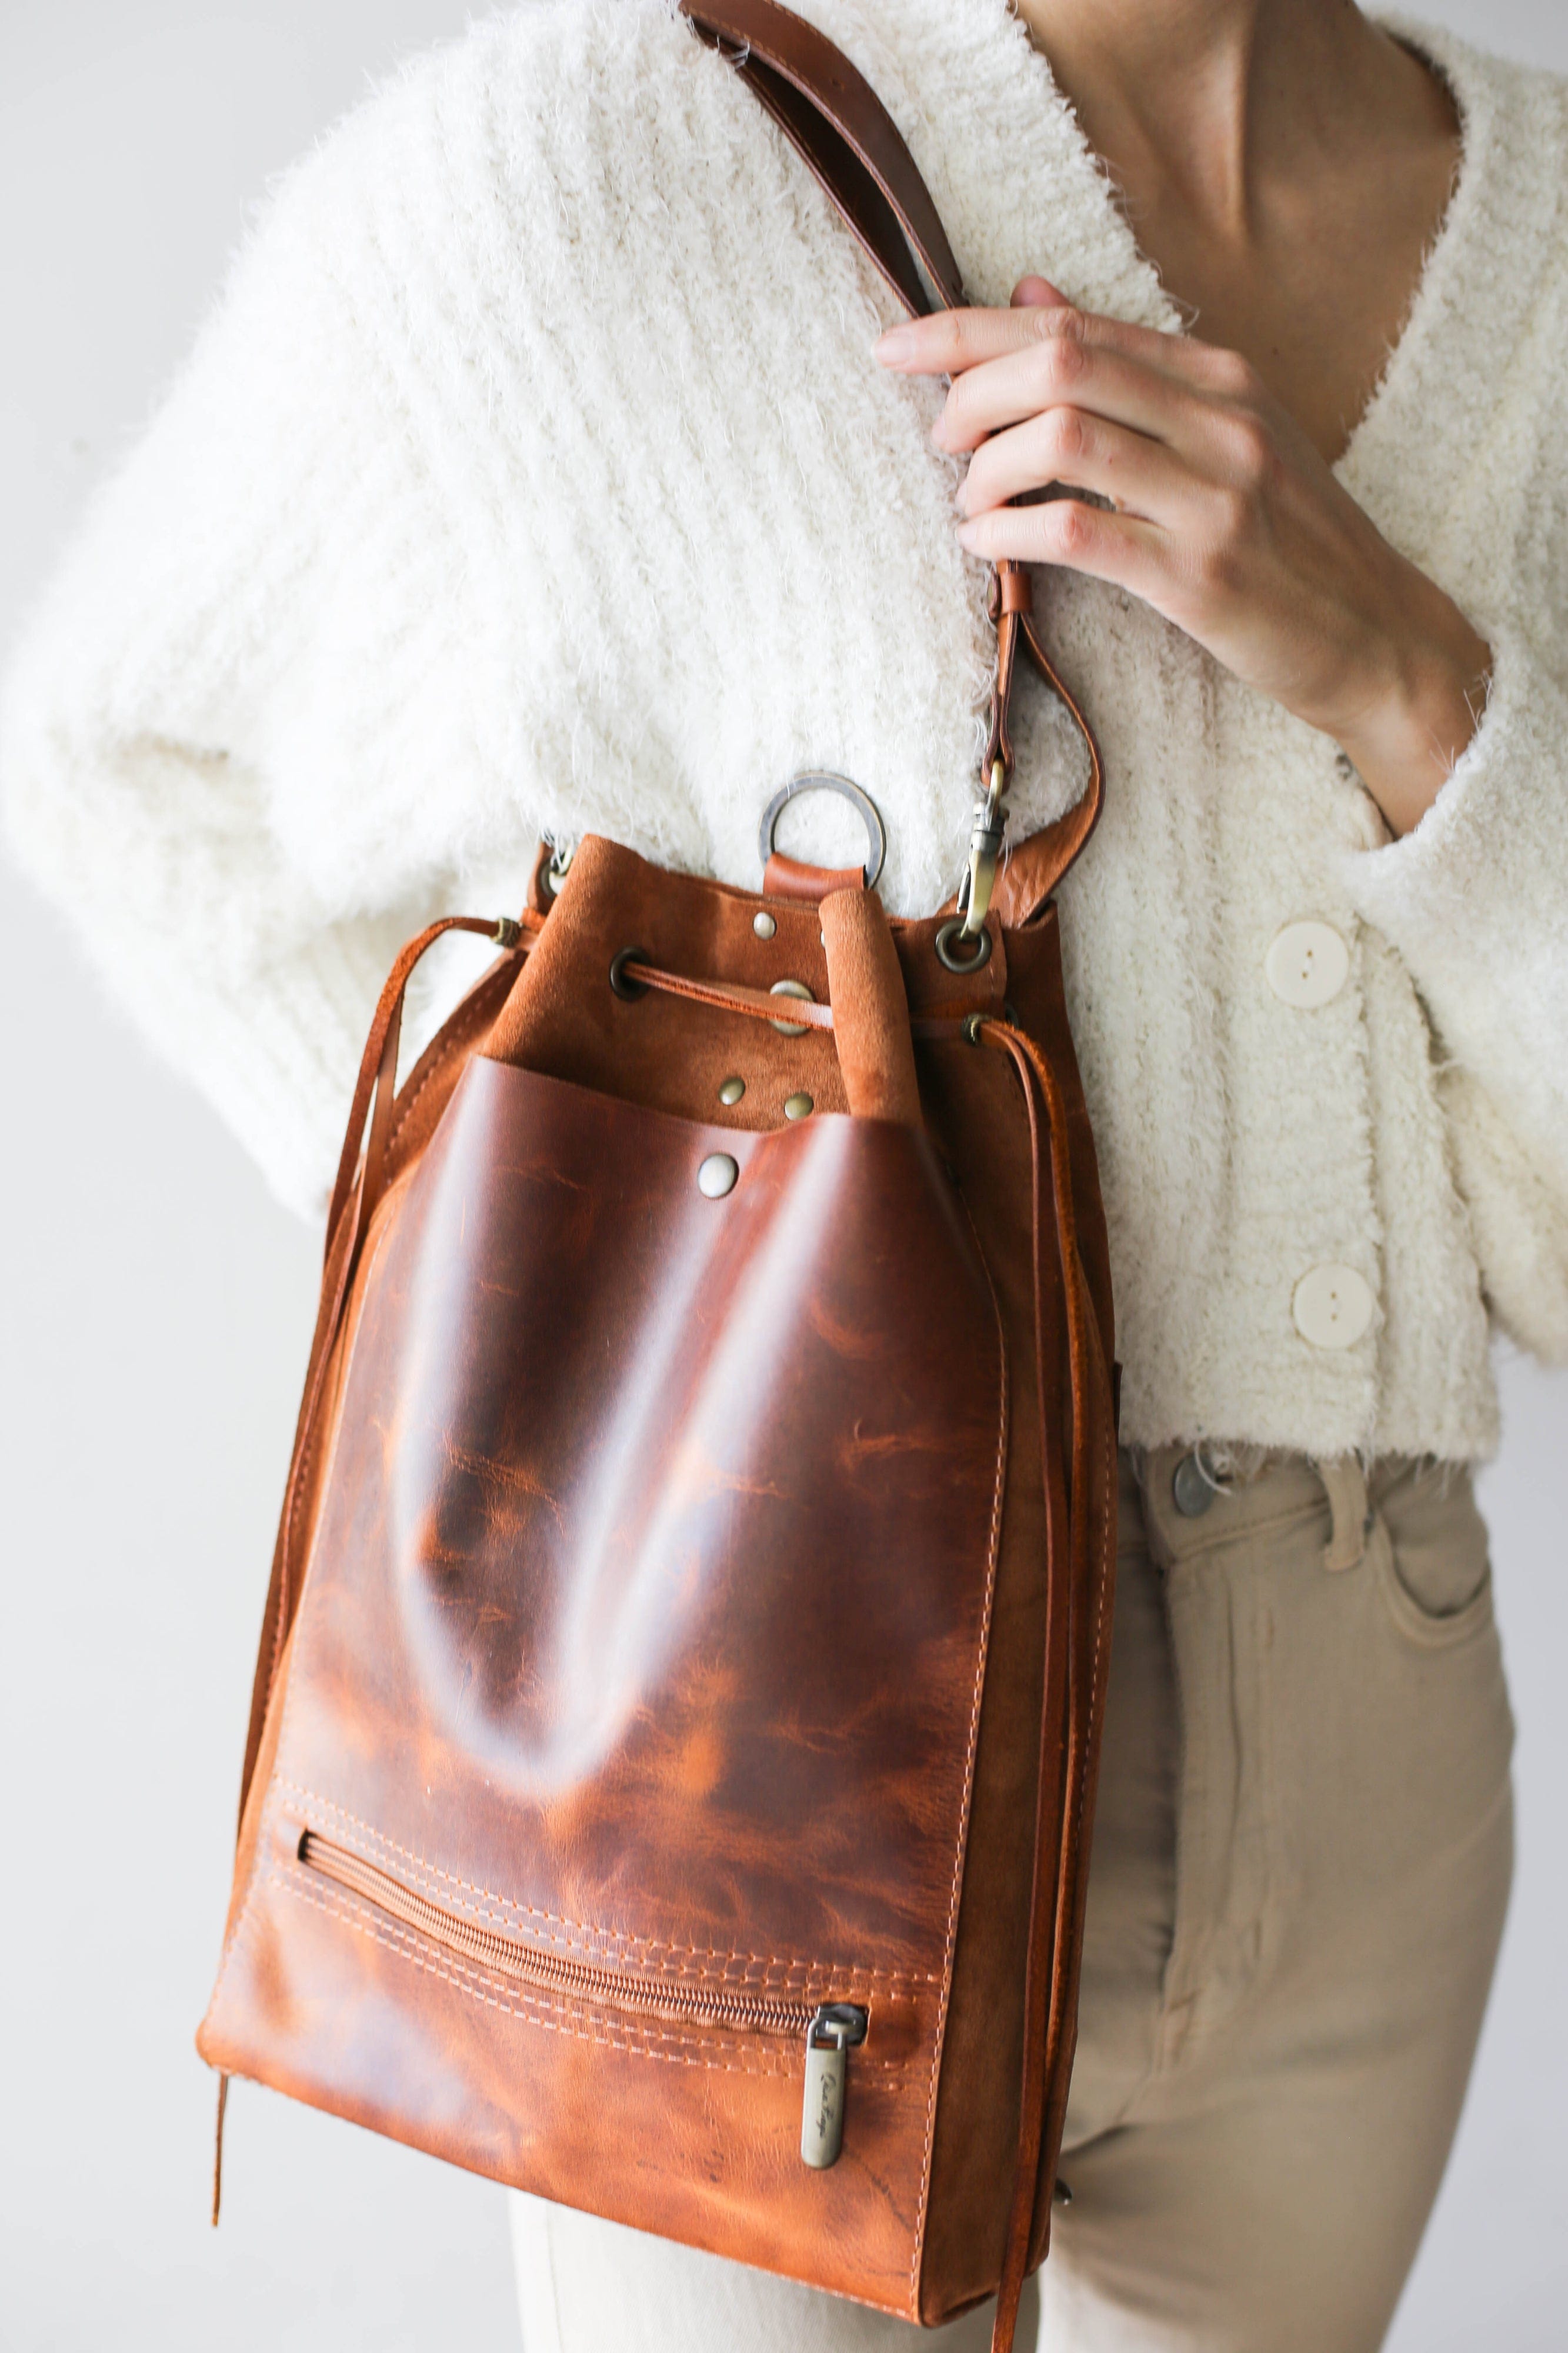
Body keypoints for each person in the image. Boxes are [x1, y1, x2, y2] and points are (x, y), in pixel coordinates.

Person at [2, 1, 1563, 2347]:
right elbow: (132, 756)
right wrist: (555, 1298)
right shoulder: (581, 166)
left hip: (1361, 1741)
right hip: (747, 1710)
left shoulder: (1538, 238)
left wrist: (1417, 685)